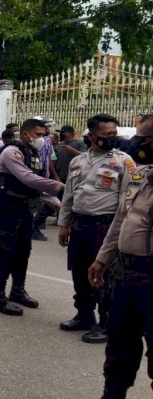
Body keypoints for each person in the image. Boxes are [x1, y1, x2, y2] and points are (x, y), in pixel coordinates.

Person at [74, 114, 153, 399]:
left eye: (145, 138)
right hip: (126, 273)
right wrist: (102, 259)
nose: (137, 144)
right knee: (120, 340)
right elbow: (121, 220)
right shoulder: (140, 175)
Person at [58, 114, 134, 342]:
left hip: (105, 226)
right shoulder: (78, 161)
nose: (112, 138)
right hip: (80, 224)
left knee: (103, 275)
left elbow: (125, 201)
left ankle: (106, 322)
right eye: (106, 134)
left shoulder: (124, 161)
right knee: (80, 271)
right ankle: (84, 316)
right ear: (91, 136)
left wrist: (119, 233)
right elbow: (69, 194)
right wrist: (64, 223)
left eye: (114, 133)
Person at [0, 118, 64, 315]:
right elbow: (28, 178)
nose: (42, 138)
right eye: (38, 135)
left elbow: (33, 187)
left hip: (24, 207)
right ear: (25, 134)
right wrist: (58, 186)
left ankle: (17, 291)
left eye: (44, 135)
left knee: (23, 250)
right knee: (5, 251)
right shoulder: (11, 152)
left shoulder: (32, 153)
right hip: (7, 207)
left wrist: (58, 205)